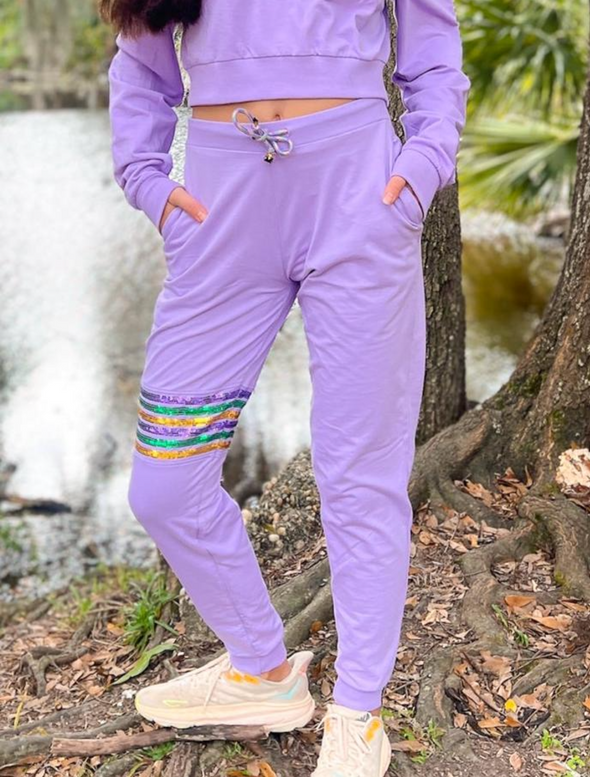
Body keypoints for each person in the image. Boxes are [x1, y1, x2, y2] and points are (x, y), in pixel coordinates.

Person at [102, 0, 470, 773]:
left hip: (359, 194)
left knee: (360, 477)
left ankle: (359, 711)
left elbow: (432, 50)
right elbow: (140, 58)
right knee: (164, 484)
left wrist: (423, 165)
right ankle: (262, 668)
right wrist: (146, 179)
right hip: (220, 205)